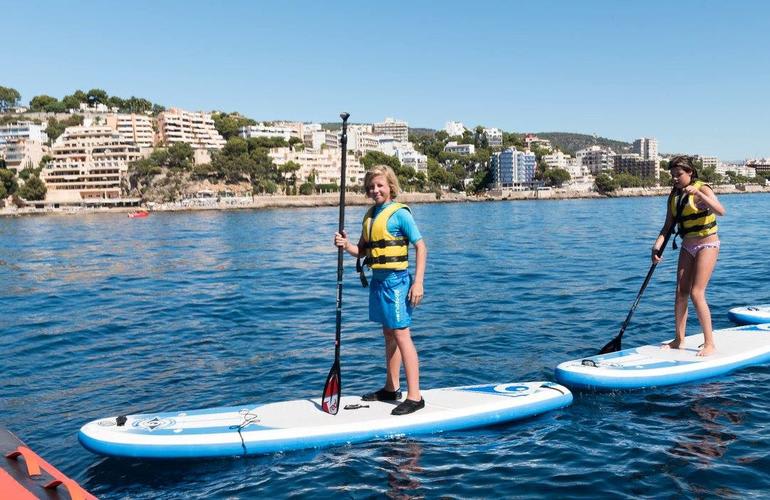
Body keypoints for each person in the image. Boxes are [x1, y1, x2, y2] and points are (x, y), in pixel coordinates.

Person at [334, 165, 427, 415]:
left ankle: (415, 396)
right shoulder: (370, 216)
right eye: (371, 187)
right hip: (378, 282)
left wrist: (418, 282)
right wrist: (346, 245)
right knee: (388, 334)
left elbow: (421, 247)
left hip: (397, 282)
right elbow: (362, 251)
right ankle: (391, 387)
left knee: (401, 334)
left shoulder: (400, 214)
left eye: (380, 186)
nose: (375, 190)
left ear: (391, 187)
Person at [653, 156, 726, 356]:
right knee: (680, 292)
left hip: (707, 244)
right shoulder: (673, 196)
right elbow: (668, 226)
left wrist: (701, 196)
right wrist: (657, 246)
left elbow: (721, 211)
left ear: (690, 173)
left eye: (679, 174)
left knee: (696, 292)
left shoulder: (702, 189)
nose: (675, 178)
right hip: (687, 245)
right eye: (672, 175)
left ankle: (709, 343)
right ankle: (679, 339)